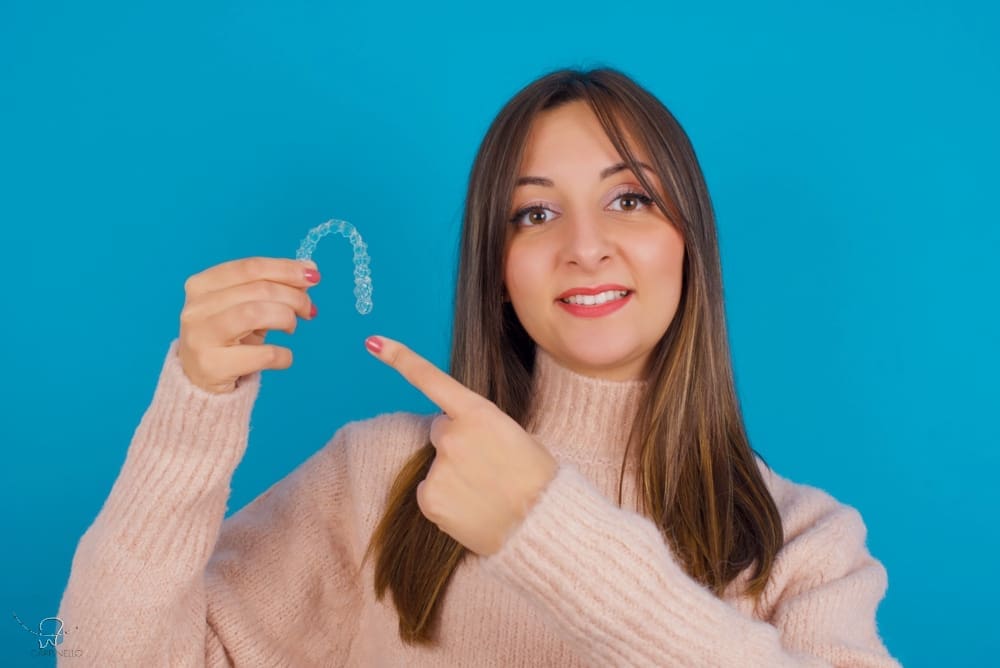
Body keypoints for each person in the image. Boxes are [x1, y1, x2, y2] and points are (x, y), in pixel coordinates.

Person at [57, 67, 902, 666]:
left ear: (691, 242)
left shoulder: (810, 543)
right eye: (534, 213)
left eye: (630, 199)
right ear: (497, 270)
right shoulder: (377, 476)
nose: (585, 247)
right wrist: (190, 416)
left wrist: (548, 529)